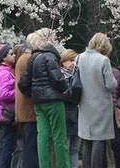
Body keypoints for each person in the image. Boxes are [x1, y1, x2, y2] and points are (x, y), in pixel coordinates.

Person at [28, 29, 71, 168]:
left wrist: (34, 92)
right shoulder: (50, 57)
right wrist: (66, 89)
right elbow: (58, 80)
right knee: (59, 137)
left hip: (38, 102)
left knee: (43, 137)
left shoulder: (32, 58)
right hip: (53, 100)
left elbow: (23, 83)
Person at [76, 33, 118, 168]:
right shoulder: (103, 60)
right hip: (101, 105)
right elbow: (110, 84)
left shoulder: (78, 58)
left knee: (87, 139)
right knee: (99, 140)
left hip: (83, 103)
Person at [16, 33, 43, 168]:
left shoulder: (22, 58)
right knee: (31, 148)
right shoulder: (28, 59)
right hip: (29, 111)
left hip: (24, 111)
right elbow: (26, 85)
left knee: (29, 147)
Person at [0, 44, 20, 168]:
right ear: (3, 58)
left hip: (6, 113)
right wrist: (19, 93)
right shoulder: (4, 72)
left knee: (8, 144)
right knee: (9, 145)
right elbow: (4, 94)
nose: (14, 55)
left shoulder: (1, 70)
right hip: (9, 113)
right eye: (10, 54)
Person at [60, 49, 82, 168]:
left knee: (74, 149)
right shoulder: (59, 77)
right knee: (65, 148)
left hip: (78, 115)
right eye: (70, 60)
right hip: (66, 116)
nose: (72, 63)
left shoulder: (78, 75)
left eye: (74, 60)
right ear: (63, 62)